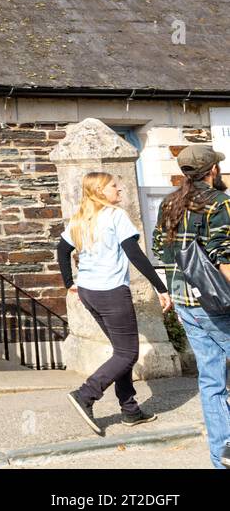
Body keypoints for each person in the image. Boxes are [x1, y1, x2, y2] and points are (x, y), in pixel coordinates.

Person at [58, 171, 172, 435]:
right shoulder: (115, 216)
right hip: (110, 292)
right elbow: (135, 253)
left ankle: (130, 410)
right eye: (114, 187)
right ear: (100, 191)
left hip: (89, 292)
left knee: (121, 350)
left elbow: (62, 251)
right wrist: (161, 287)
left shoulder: (80, 219)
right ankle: (85, 395)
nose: (119, 191)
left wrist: (69, 282)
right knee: (127, 353)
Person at [151, 144, 230, 469]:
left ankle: (221, 456)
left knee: (212, 382)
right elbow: (222, 254)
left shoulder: (169, 203)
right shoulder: (219, 203)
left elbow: (159, 246)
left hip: (186, 302)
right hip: (218, 303)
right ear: (212, 170)